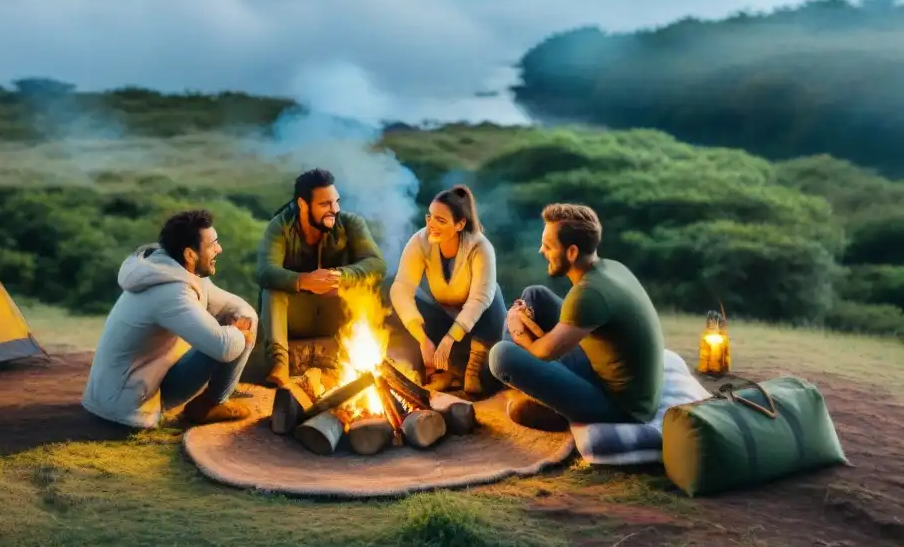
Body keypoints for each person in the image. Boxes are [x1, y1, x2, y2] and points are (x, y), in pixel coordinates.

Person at [489, 203, 664, 431]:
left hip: (621, 406)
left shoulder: (588, 293)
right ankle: (534, 385)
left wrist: (517, 328)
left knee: (500, 356)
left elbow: (543, 352)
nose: (541, 251)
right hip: (607, 368)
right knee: (535, 295)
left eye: (548, 246)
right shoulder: (611, 267)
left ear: (572, 252)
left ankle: (543, 396)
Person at [82, 209, 259, 429]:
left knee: (240, 325)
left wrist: (243, 320)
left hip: (134, 385)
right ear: (190, 255)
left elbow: (232, 307)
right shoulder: (171, 293)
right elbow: (223, 348)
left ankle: (212, 402)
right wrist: (240, 333)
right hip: (127, 405)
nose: (219, 249)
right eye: (213, 244)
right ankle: (212, 403)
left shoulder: (172, 270)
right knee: (231, 340)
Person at [256, 167, 387, 387]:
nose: (334, 209)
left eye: (336, 202)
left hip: (335, 313)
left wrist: (341, 276)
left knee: (367, 285)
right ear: (302, 204)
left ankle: (363, 358)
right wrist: (303, 281)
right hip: (296, 317)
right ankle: (279, 362)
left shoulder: (351, 223)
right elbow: (264, 272)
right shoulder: (280, 226)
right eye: (325, 204)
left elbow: (377, 264)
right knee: (273, 290)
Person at [389, 185, 507, 396]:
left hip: (480, 327)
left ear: (460, 224)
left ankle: (474, 370)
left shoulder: (480, 247)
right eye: (430, 217)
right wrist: (422, 338)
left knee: (491, 294)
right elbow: (402, 288)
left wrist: (450, 338)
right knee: (396, 292)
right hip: (446, 317)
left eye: (440, 220)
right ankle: (444, 369)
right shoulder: (420, 241)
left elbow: (481, 298)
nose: (431, 225)